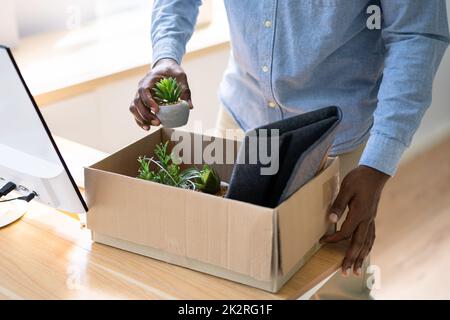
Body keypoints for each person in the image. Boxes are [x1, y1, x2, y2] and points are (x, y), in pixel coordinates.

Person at [129, 0, 449, 298]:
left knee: (339, 284)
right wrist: (166, 54)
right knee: (228, 271)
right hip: (242, 120)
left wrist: (378, 164)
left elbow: (416, 33)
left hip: (334, 143)